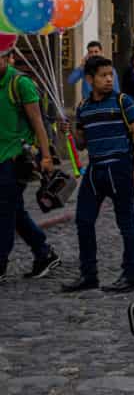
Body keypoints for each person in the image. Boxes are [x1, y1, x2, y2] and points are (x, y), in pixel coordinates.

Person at [61, 56, 134, 293]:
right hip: (95, 169)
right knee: (84, 221)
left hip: (119, 168)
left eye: (111, 74)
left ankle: (131, 275)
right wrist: (69, 131)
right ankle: (89, 275)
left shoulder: (123, 101)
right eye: (103, 75)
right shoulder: (83, 107)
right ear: (89, 79)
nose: (109, 79)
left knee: (126, 222)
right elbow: (81, 144)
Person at [0, 49, 60, 284]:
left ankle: (0, 264)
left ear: (8, 57)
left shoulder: (20, 83)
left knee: (4, 212)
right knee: (15, 212)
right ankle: (44, 253)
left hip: (15, 159)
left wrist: (46, 157)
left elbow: (38, 122)